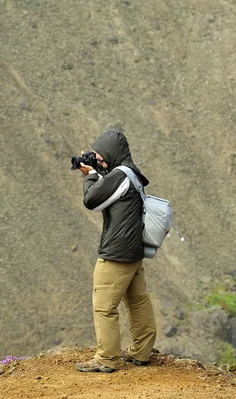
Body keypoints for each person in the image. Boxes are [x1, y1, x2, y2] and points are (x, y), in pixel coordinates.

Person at [75, 129, 157, 373]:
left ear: (111, 153)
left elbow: (92, 200)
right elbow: (112, 190)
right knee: (137, 300)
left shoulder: (120, 175)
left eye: (101, 156)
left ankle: (107, 358)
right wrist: (98, 171)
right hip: (133, 252)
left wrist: (89, 175)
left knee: (104, 306)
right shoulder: (130, 172)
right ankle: (141, 352)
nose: (99, 160)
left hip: (116, 254)